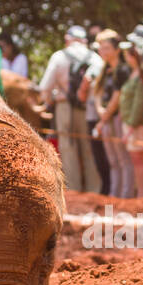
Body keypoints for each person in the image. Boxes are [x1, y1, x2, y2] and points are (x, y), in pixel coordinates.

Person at [38, 26, 102, 193]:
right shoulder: (95, 57)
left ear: (68, 40)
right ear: (85, 41)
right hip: (88, 108)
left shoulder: (59, 56)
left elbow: (45, 87)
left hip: (64, 106)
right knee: (89, 148)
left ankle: (73, 191)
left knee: (68, 148)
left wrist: (49, 101)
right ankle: (93, 191)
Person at [93, 30, 133, 198]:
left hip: (118, 118)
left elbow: (118, 96)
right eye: (101, 48)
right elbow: (97, 93)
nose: (103, 51)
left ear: (117, 49)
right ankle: (114, 194)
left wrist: (105, 115)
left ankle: (126, 196)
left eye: (107, 47)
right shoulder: (105, 70)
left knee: (124, 159)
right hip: (107, 118)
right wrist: (101, 112)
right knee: (113, 161)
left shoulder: (123, 70)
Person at [119, 38, 143, 197]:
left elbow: (140, 103)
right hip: (131, 124)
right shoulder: (134, 72)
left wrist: (130, 127)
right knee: (137, 160)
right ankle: (142, 194)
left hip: (137, 125)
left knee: (140, 160)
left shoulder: (141, 74)